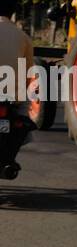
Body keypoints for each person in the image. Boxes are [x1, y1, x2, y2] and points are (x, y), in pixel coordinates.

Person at [0, 14, 35, 179]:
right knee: (22, 119)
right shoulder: (23, 36)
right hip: (10, 97)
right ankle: (9, 156)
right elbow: (28, 73)